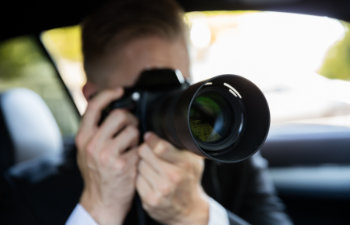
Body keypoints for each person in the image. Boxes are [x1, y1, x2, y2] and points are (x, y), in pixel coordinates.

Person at [65, 0, 294, 225]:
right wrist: (98, 211)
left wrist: (197, 216)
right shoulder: (39, 188)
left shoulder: (227, 153)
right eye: (145, 95)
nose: (169, 105)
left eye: (177, 90)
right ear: (93, 97)